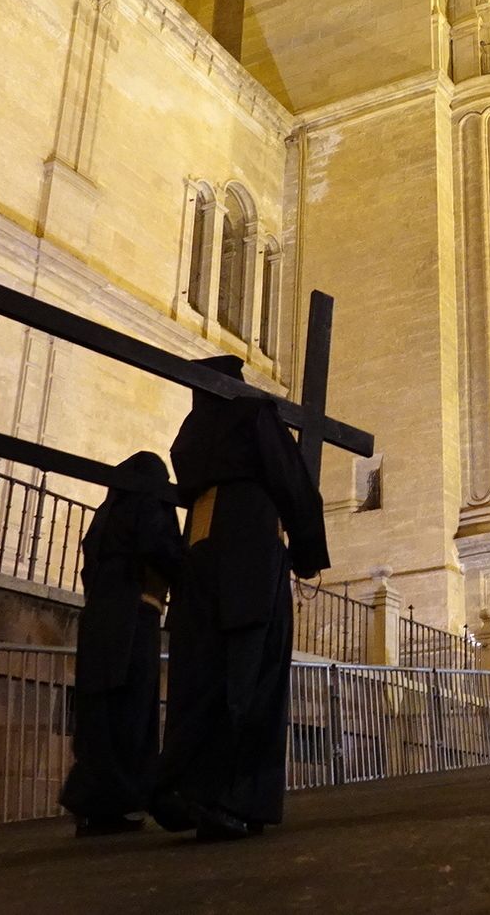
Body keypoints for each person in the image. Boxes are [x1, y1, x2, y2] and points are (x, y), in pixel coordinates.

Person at [152, 356, 330, 841]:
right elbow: (290, 481)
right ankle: (231, 799)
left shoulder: (191, 432)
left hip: (201, 550)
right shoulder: (253, 413)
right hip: (250, 546)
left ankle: (185, 786)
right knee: (253, 674)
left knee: (200, 676)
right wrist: (308, 550)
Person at [60, 452, 185, 837]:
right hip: (134, 615)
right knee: (131, 709)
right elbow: (160, 547)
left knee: (99, 711)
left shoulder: (107, 515)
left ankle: (93, 804)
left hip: (98, 617)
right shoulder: (149, 504)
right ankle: (121, 803)